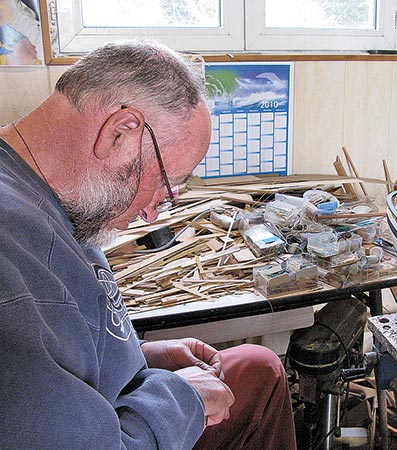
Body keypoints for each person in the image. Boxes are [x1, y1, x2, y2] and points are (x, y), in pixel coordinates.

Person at [0, 39, 296, 449]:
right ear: (120, 132)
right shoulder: (11, 267)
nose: (154, 214)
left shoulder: (67, 199)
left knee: (259, 367)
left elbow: (67, 343)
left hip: (116, 402)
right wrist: (182, 397)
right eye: (165, 185)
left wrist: (140, 354)